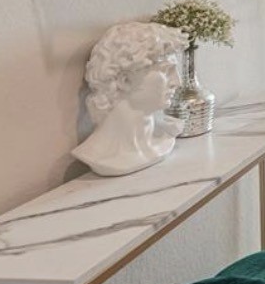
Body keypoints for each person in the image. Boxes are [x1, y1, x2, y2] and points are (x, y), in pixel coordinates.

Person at [73, 22, 189, 177]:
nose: (177, 82)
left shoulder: (164, 138)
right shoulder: (97, 156)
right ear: (124, 80)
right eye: (166, 71)